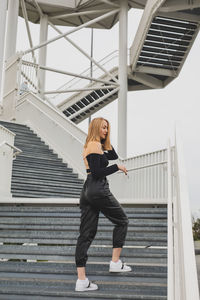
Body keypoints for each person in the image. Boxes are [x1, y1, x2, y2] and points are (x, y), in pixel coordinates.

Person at [75, 117, 131, 292]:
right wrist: (118, 168)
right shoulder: (93, 145)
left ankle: (81, 281)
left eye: (107, 128)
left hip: (88, 190)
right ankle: (115, 263)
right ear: (95, 128)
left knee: (86, 234)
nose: (106, 130)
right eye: (103, 128)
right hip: (97, 188)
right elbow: (99, 172)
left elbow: (112, 155)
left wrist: (106, 140)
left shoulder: (94, 144)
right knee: (122, 221)